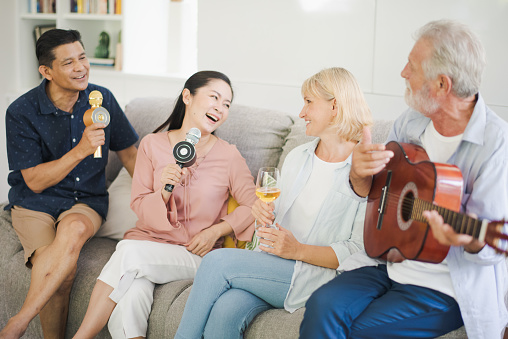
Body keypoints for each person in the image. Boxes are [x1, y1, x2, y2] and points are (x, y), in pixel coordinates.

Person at [300, 20, 508, 339]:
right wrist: (359, 174)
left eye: (412, 66)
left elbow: (495, 243)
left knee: (355, 331)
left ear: (442, 84)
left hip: (445, 284)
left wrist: (467, 238)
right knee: (322, 304)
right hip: (387, 258)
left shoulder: (496, 143)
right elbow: (378, 194)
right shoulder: (410, 121)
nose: (403, 73)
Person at [175, 67, 373, 339]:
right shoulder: (298, 156)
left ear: (334, 106)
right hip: (272, 264)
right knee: (226, 309)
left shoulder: (364, 170)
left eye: (308, 102)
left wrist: (297, 250)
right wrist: (261, 215)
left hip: (316, 276)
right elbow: (272, 222)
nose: (302, 112)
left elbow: (357, 251)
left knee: (216, 262)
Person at [72, 70, 257, 339]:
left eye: (227, 104)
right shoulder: (152, 145)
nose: (220, 108)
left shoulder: (229, 155)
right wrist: (165, 190)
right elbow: (139, 205)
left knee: (127, 254)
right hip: (149, 242)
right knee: (130, 297)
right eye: (214, 97)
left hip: (194, 252)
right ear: (187, 97)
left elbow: (253, 206)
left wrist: (215, 231)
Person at [0, 29, 138, 339]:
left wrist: (156, 193)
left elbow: (129, 153)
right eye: (68, 63)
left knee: (74, 230)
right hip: (35, 202)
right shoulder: (21, 112)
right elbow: (33, 181)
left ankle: (18, 322)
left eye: (83, 58)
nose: (81, 68)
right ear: (46, 71)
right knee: (62, 275)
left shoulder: (102, 99)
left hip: (86, 200)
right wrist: (79, 152)